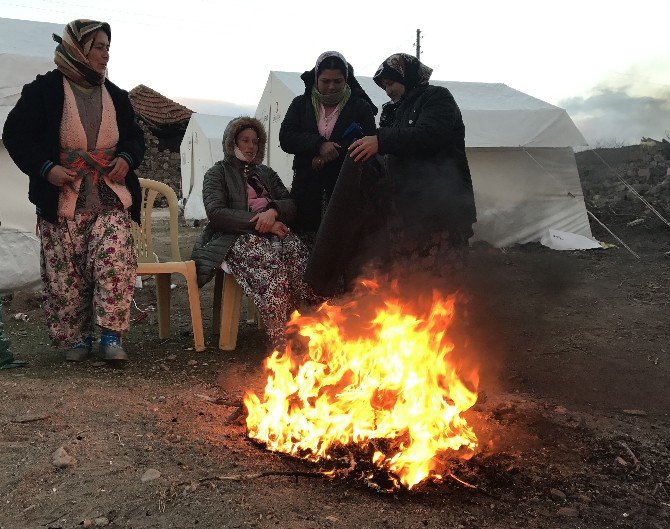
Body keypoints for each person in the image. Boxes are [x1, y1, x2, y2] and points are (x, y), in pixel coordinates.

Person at [2, 20, 145, 362]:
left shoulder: (116, 96)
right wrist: (46, 169)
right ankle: (75, 339)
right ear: (78, 48)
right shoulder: (44, 91)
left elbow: (134, 137)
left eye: (108, 47)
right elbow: (17, 135)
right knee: (65, 272)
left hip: (108, 195)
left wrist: (126, 158)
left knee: (115, 256)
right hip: (62, 196)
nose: (105, 54)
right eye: (99, 46)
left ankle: (111, 335)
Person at [347, 52, 477, 285]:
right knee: (409, 281)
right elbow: (388, 155)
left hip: (441, 207)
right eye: (384, 86)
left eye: (391, 83)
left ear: (407, 78)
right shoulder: (391, 110)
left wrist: (381, 140)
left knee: (443, 281)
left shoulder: (437, 98)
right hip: (406, 209)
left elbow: (430, 135)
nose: (388, 91)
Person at [192, 117, 317, 350]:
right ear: (232, 142)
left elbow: (290, 203)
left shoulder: (266, 173)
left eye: (255, 141)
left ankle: (309, 325)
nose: (251, 146)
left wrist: (274, 210)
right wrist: (263, 223)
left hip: (272, 232)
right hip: (233, 237)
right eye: (245, 141)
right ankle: (280, 337)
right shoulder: (217, 173)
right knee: (268, 265)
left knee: (298, 255)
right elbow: (217, 213)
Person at [279, 51, 377, 246]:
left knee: (341, 243)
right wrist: (318, 145)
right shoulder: (301, 104)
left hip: (345, 186)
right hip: (307, 187)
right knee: (305, 243)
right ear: (316, 78)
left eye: (338, 81)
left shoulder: (360, 107)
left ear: (346, 80)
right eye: (325, 81)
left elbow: (368, 144)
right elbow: (286, 138)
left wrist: (330, 156)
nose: (331, 87)